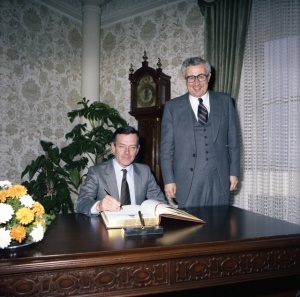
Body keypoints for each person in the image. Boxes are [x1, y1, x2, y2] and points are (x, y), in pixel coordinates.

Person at [160, 56, 240, 208]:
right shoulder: (172, 108)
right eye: (191, 78)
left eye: (201, 76)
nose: (196, 83)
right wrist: (169, 180)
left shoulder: (225, 101)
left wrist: (234, 171)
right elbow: (166, 149)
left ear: (209, 77)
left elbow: (233, 141)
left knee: (220, 226)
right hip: (187, 181)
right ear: (185, 80)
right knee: (190, 228)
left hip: (220, 178)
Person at [76, 126, 166, 216]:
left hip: (139, 226)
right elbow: (81, 203)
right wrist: (99, 206)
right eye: (122, 146)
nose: (127, 152)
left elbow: (160, 202)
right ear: (113, 147)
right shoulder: (97, 172)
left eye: (132, 147)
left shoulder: (145, 171)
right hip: (107, 227)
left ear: (137, 149)